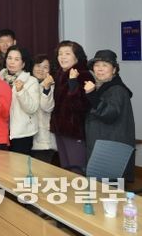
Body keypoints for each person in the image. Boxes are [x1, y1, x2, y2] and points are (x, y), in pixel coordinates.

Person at [84, 50, 135, 182]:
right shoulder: (104, 87)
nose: (100, 69)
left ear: (114, 70)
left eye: (105, 65)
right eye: (97, 65)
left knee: (108, 189)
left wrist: (91, 95)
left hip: (109, 149)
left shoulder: (116, 89)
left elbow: (109, 114)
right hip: (104, 145)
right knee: (100, 188)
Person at [50, 40, 92, 174]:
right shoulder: (59, 74)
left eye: (67, 53)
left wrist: (73, 82)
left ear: (76, 57)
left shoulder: (83, 74)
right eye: (60, 53)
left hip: (75, 130)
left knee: (77, 170)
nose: (62, 57)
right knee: (66, 169)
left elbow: (82, 106)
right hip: (60, 129)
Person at [0, 45, 40, 155]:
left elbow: (32, 108)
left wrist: (21, 91)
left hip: (21, 133)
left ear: (23, 64)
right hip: (0, 130)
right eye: (9, 58)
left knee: (19, 164)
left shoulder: (31, 81)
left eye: (17, 59)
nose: (12, 62)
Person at [31, 54, 57, 164]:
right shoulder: (26, 84)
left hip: (44, 140)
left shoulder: (52, 86)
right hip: (28, 137)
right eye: (38, 65)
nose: (40, 69)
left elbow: (47, 107)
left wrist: (46, 88)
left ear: (50, 70)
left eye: (45, 67)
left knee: (42, 171)